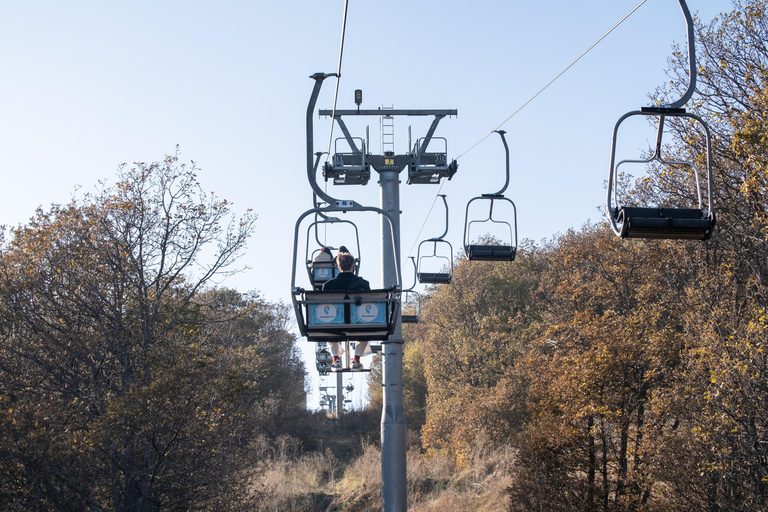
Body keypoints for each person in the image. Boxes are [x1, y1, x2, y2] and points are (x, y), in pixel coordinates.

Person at [323, 250, 370, 371]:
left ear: (338, 267)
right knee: (364, 333)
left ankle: (336, 359)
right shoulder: (363, 284)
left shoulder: (328, 285)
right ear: (352, 266)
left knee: (330, 330)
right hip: (358, 324)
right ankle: (356, 359)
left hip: (335, 325)